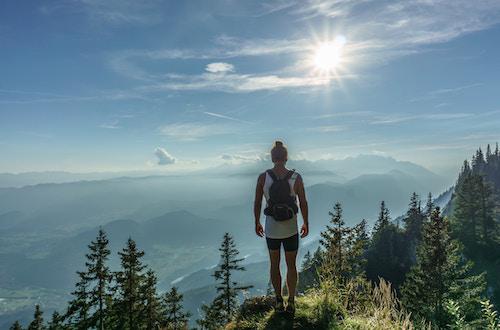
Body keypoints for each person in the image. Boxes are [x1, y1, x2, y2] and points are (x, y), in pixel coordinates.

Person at [254, 140, 309, 313]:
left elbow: (257, 202)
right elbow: (303, 202)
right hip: (291, 228)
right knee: (291, 265)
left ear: (272, 157)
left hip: (272, 229)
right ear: (286, 157)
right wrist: (306, 222)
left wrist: (256, 222)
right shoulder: (296, 177)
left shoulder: (263, 177)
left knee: (274, 264)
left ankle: (278, 301)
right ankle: (291, 302)